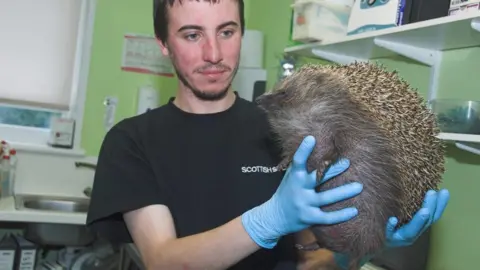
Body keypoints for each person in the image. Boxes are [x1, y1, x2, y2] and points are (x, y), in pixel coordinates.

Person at [86, 0, 450, 269]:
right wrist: (268, 220)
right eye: (192, 35)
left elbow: (312, 259)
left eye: (227, 32)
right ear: (164, 44)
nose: (213, 53)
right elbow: (162, 261)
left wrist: (363, 247)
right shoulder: (131, 141)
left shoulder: (287, 125)